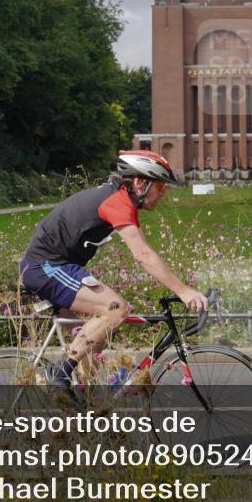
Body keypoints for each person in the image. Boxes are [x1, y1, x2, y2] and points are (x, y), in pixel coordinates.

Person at [19, 150, 209, 390]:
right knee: (116, 309)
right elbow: (143, 255)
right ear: (140, 182)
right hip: (45, 267)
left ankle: (88, 413)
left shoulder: (116, 197)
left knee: (92, 349)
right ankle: (60, 373)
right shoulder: (117, 201)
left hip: (58, 266)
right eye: (161, 187)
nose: (163, 194)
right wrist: (185, 291)